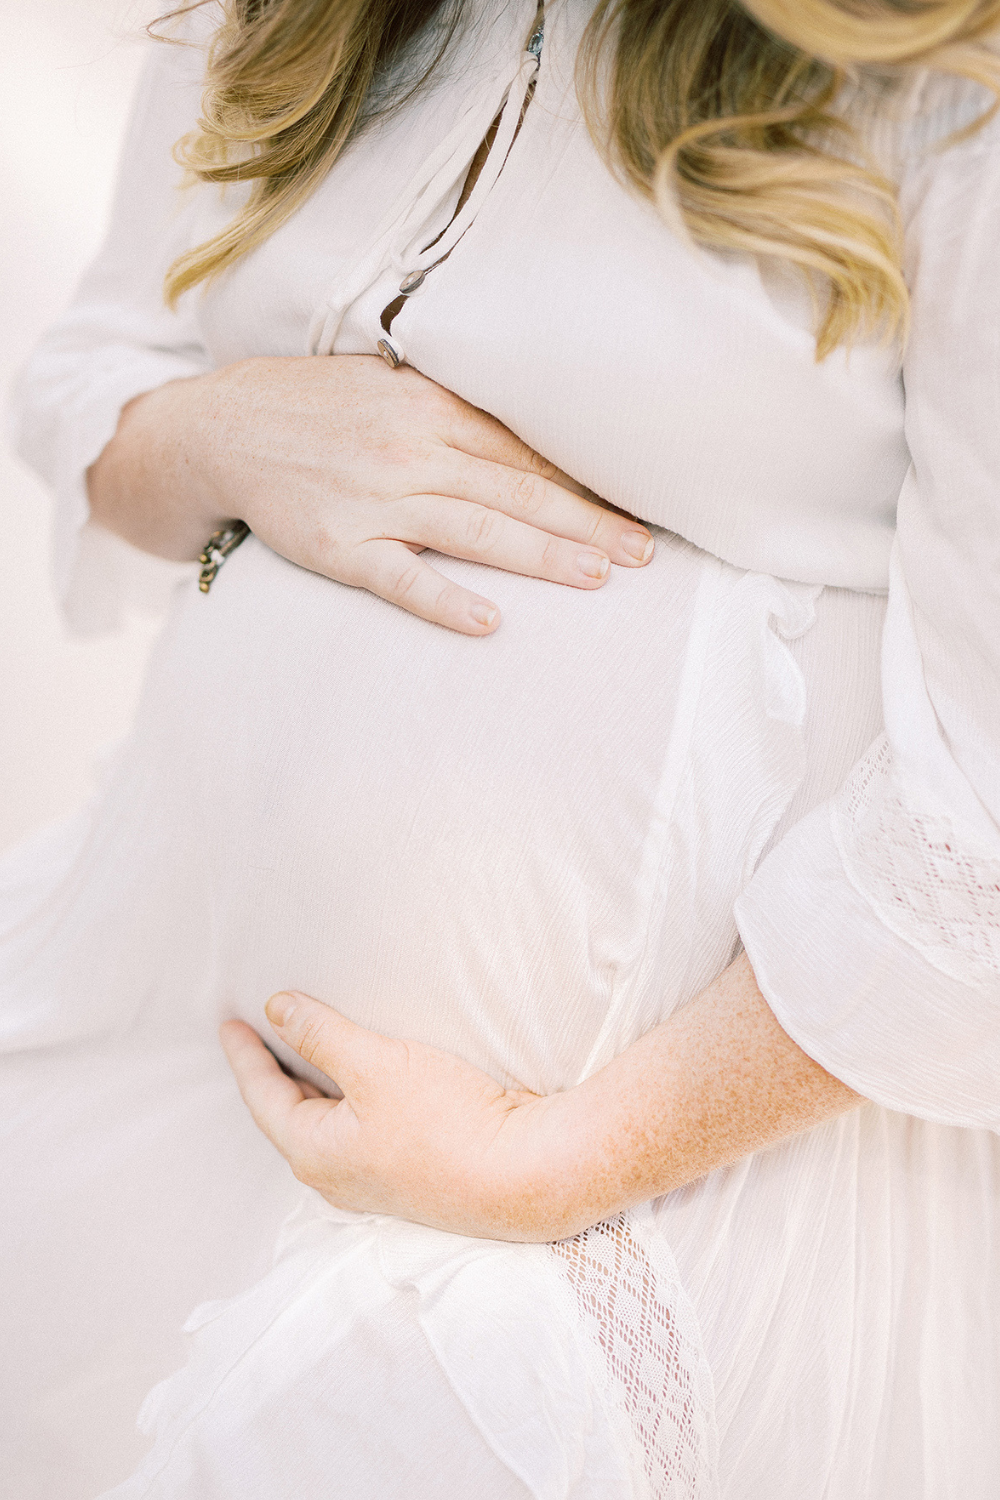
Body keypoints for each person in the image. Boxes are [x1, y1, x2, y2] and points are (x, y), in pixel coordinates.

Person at [3, 0, 1000, 1494]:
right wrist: (219, 433)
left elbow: (982, 807)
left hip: (632, 1201)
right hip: (167, 1024)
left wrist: (548, 1164)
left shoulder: (949, 80)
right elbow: (96, 367)